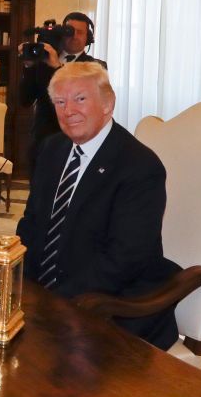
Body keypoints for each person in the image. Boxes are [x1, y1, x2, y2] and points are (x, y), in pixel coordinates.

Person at [15, 62, 181, 350]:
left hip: (112, 308)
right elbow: (31, 224)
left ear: (108, 103)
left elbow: (124, 260)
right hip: (48, 301)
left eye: (80, 99)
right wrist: (20, 286)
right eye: (60, 102)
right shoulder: (52, 149)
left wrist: (50, 303)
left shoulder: (139, 165)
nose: (69, 111)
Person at [19, 12, 107, 168]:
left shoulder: (95, 67)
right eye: (69, 31)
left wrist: (56, 68)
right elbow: (24, 100)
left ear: (89, 38)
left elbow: (85, 102)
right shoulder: (43, 60)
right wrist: (29, 66)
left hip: (77, 146)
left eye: (80, 32)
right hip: (42, 142)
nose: (74, 36)